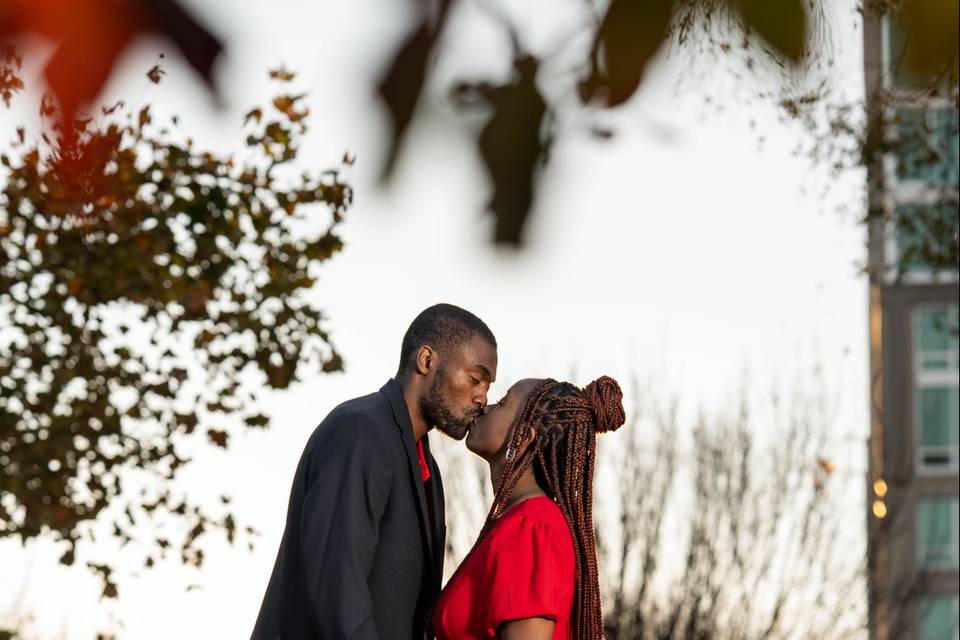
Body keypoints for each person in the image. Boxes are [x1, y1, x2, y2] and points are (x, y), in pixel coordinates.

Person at [251, 303, 498, 640]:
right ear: (427, 360)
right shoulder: (359, 430)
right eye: (475, 378)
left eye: (487, 385)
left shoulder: (429, 470)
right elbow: (337, 587)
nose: (483, 398)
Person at [431, 376, 626, 640]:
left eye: (502, 403)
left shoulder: (532, 528)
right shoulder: (517, 522)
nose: (485, 407)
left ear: (524, 437)